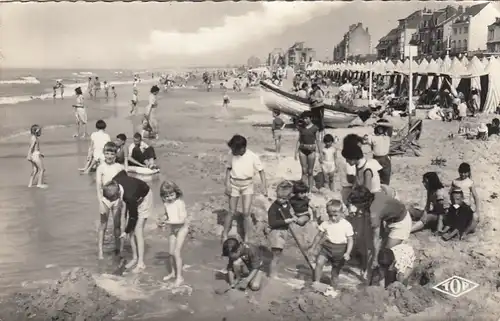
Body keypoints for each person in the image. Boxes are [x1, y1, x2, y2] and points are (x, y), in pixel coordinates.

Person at [347, 185, 411, 277]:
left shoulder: (374, 213)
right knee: (378, 249)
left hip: (401, 223)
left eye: (355, 204)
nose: (354, 207)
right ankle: (371, 273)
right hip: (390, 218)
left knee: (386, 256)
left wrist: (375, 259)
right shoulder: (374, 195)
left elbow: (376, 240)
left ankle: (390, 278)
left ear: (362, 203)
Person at [102, 171, 152, 273]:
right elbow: (122, 172)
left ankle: (141, 263)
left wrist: (125, 231)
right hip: (134, 193)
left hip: (145, 197)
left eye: (113, 200)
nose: (111, 202)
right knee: (131, 232)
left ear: (119, 193)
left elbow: (133, 217)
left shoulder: (130, 197)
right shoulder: (115, 181)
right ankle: (134, 259)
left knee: (137, 231)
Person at [223, 134, 268, 243]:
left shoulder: (252, 156)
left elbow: (261, 171)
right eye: (232, 148)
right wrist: (227, 184)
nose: (232, 151)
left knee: (246, 213)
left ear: (242, 148)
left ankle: (247, 238)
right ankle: (224, 234)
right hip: (234, 184)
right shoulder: (231, 154)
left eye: (234, 149)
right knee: (231, 211)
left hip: (247, 185)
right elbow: (228, 169)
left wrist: (264, 186)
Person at [308, 199, 353, 286]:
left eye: (336, 215)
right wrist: (313, 247)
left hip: (340, 250)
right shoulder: (326, 223)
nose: (333, 218)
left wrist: (348, 253)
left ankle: (333, 288)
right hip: (327, 248)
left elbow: (350, 240)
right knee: (319, 262)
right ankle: (316, 282)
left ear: (341, 213)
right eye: (330, 215)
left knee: (335, 272)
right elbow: (318, 236)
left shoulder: (346, 225)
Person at [96, 142, 126, 259]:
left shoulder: (119, 167)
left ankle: (118, 249)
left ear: (115, 154)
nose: (109, 156)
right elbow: (98, 187)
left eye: (111, 153)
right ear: (103, 154)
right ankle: (100, 251)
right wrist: (100, 204)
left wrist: (122, 202)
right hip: (105, 200)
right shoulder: (101, 168)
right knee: (103, 225)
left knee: (117, 225)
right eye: (107, 153)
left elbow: (124, 185)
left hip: (117, 199)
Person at [158, 181, 190, 287]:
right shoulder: (166, 203)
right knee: (171, 253)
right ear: (163, 196)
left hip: (182, 229)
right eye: (166, 196)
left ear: (176, 193)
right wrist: (162, 219)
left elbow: (181, 220)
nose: (170, 198)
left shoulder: (180, 203)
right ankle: (172, 272)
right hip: (173, 229)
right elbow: (168, 214)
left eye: (171, 195)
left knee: (176, 252)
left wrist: (167, 222)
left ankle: (179, 277)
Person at [267, 181, 301, 278]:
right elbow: (272, 223)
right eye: (279, 197)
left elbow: (288, 214)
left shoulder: (287, 204)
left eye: (284, 198)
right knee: (276, 254)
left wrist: (293, 217)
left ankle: (275, 272)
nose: (281, 200)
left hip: (284, 231)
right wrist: (286, 221)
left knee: (279, 254)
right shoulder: (273, 208)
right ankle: (272, 274)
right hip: (276, 232)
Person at [295, 111, 321, 194]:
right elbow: (299, 140)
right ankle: (302, 189)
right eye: (304, 118)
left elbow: (317, 141)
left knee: (310, 171)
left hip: (311, 151)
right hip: (302, 150)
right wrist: (295, 151)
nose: (305, 120)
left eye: (306, 118)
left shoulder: (315, 128)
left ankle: (309, 189)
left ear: (311, 118)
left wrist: (320, 153)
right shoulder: (301, 128)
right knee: (303, 170)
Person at [449, 162, 480, 231]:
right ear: (458, 171)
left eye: (465, 172)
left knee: (465, 214)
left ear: (468, 172)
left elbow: (476, 197)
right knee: (452, 212)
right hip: (456, 204)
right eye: (461, 172)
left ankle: (460, 230)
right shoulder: (455, 181)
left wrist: (477, 210)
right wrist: (453, 203)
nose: (463, 174)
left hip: (466, 205)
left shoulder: (470, 182)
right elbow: (450, 194)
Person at [363, 119, 392, 185]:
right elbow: (365, 139)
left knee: (386, 180)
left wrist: (379, 124)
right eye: (379, 128)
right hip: (376, 159)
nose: (380, 129)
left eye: (382, 128)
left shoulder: (387, 136)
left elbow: (390, 125)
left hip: (385, 159)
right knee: (375, 180)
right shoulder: (372, 137)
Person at [27, 124, 48, 188]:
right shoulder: (35, 138)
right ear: (37, 131)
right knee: (42, 169)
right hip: (35, 155)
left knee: (35, 170)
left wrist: (40, 153)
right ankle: (39, 184)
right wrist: (28, 155)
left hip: (34, 154)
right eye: (40, 131)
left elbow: (35, 148)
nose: (41, 132)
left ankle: (30, 184)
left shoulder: (33, 137)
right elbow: (31, 147)